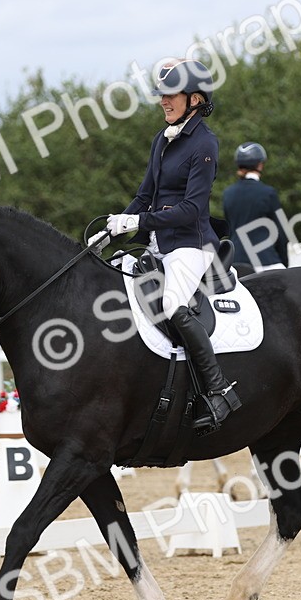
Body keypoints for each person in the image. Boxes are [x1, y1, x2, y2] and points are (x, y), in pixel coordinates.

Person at [95, 58, 241, 431]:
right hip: (159, 244)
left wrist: (139, 222)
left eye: (170, 94)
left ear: (194, 99)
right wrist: (114, 228)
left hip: (191, 245)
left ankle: (219, 390)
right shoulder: (162, 139)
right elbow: (146, 195)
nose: (163, 101)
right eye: (161, 94)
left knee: (173, 304)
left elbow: (192, 208)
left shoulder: (205, 143)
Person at [222, 141, 289, 276]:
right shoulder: (268, 193)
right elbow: (281, 232)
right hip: (265, 260)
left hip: (235, 261)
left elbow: (230, 228)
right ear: (260, 164)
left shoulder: (228, 193)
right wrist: (284, 261)